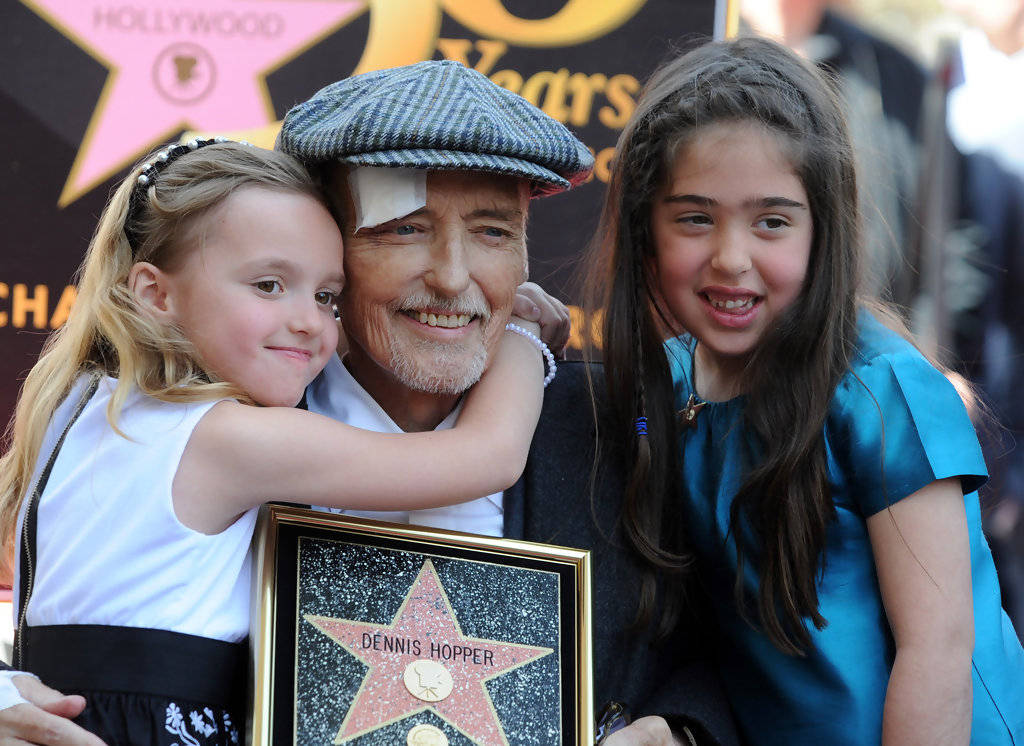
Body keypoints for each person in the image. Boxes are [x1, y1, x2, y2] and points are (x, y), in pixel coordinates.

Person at [0, 138, 550, 745]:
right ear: (155, 294)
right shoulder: (229, 438)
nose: (309, 321)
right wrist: (523, 335)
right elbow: (485, 458)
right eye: (268, 285)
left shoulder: (82, 404)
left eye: (326, 297)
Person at [275, 59, 739, 746]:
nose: (453, 277)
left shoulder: (617, 432)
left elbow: (717, 660)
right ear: (325, 244)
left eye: (492, 232)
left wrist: (678, 732)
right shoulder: (239, 422)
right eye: (404, 228)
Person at [585, 35, 1024, 744]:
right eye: (695, 217)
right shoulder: (665, 383)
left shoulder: (881, 392)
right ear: (646, 229)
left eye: (772, 223)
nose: (732, 259)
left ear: (824, 232)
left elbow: (939, 650)